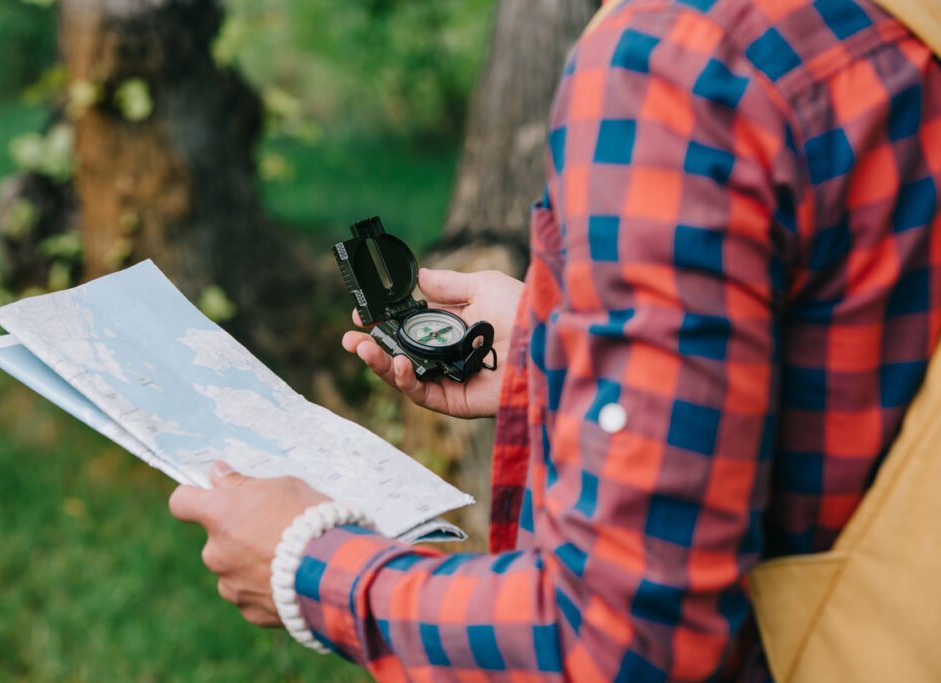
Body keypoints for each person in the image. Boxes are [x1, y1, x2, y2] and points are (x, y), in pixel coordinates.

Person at [168, 0, 941, 678]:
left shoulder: (676, 61)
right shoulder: (881, 29)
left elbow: (618, 642)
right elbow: (840, 350)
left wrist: (308, 565)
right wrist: (562, 350)